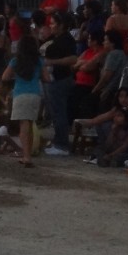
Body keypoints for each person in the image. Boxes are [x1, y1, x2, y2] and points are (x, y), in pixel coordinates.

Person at [2, 34, 49, 167]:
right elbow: (47, 78)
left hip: (20, 93)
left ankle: (26, 156)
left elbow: (5, 77)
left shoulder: (16, 61)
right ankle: (29, 154)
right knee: (31, 124)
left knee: (23, 125)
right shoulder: (38, 61)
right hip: (35, 94)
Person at [42, 12, 77, 156]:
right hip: (52, 78)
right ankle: (58, 140)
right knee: (55, 111)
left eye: (53, 23)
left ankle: (62, 144)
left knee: (59, 111)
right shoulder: (55, 38)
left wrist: (52, 62)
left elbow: (73, 59)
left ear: (61, 25)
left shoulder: (66, 40)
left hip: (60, 79)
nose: (51, 26)